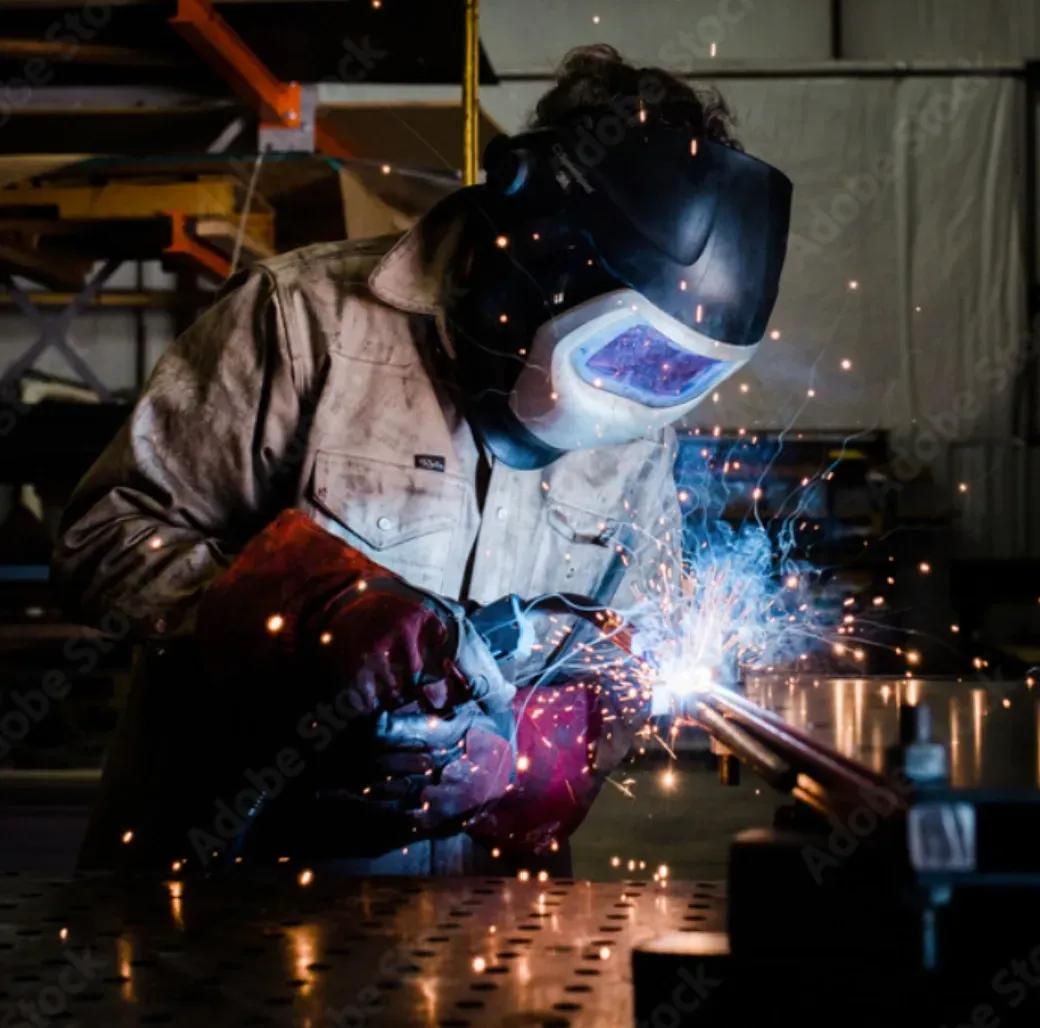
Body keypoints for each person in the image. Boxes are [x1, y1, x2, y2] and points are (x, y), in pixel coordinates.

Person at [54, 45, 791, 875]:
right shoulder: (303, 325)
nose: (638, 394)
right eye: (621, 353)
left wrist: (527, 762)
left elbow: (628, 661)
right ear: (536, 257)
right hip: (229, 896)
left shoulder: (641, 431)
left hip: (483, 943)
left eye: (672, 372)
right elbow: (98, 536)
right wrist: (304, 618)